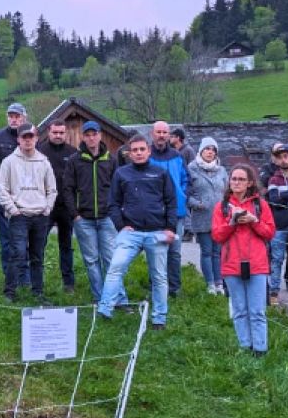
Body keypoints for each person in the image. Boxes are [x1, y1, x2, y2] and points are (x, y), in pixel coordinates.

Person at [97, 135, 176, 330]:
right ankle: (105, 308)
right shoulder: (121, 174)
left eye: (142, 149)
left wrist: (170, 228)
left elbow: (171, 202)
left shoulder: (160, 173)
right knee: (115, 267)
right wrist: (120, 225)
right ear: (129, 153)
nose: (139, 153)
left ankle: (159, 318)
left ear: (148, 151)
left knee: (159, 276)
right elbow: (113, 203)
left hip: (156, 232)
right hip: (130, 232)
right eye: (135, 150)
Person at [211, 164, 276, 356]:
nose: (236, 182)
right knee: (239, 310)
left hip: (256, 264)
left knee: (257, 311)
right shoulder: (221, 207)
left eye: (241, 179)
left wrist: (254, 220)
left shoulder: (260, 205)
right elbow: (217, 236)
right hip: (231, 264)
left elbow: (270, 232)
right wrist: (231, 223)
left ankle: (260, 349)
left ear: (249, 183)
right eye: (233, 179)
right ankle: (245, 347)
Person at [0, 124, 57, 303]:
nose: (28, 140)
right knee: (18, 253)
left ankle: (37, 292)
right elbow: (2, 189)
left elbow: (52, 189)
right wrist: (13, 210)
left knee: (38, 256)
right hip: (19, 215)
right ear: (18, 139)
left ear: (37, 138)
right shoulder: (9, 162)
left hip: (40, 215)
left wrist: (47, 208)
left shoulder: (44, 162)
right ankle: (10, 292)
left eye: (31, 136)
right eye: (24, 137)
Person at [63, 121, 119, 303]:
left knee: (111, 260)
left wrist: (114, 212)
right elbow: (67, 189)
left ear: (100, 135)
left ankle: (116, 297)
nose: (91, 137)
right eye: (87, 134)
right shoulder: (74, 160)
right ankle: (99, 298)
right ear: (83, 137)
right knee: (92, 261)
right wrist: (75, 215)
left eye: (94, 134)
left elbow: (118, 189)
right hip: (84, 219)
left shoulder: (111, 160)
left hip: (106, 218)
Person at [0, 102, 29, 286]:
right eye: (11, 116)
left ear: (24, 117)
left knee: (25, 239)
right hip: (3, 196)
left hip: (26, 197)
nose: (14, 119)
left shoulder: (30, 137)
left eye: (17, 116)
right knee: (7, 239)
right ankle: (10, 278)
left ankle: (25, 278)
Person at [149, 121, 189, 297]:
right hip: (153, 212)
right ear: (152, 134)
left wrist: (182, 195)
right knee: (155, 251)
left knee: (174, 252)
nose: (161, 135)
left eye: (165, 132)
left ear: (169, 135)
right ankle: (156, 287)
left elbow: (186, 179)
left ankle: (174, 288)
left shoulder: (177, 156)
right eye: (158, 132)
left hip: (176, 212)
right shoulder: (146, 155)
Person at [37, 119, 75, 292]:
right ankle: (37, 282)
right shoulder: (39, 152)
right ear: (49, 132)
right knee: (39, 244)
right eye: (55, 132)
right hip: (45, 206)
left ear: (65, 133)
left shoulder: (73, 153)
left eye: (61, 132)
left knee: (66, 245)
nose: (58, 135)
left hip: (66, 206)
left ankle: (68, 283)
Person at [187, 137, 227, 294]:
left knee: (218, 252)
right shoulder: (192, 168)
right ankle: (210, 283)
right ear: (201, 151)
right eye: (207, 149)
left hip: (219, 218)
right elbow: (186, 194)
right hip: (202, 216)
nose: (210, 152)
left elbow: (228, 191)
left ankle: (219, 283)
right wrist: (196, 203)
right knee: (207, 251)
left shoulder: (221, 170)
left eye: (213, 150)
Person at [263, 144, 288, 305]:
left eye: (286, 156)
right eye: (279, 157)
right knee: (276, 260)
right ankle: (274, 293)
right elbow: (273, 200)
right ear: (276, 160)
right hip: (279, 226)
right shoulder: (274, 179)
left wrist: (283, 195)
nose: (283, 160)